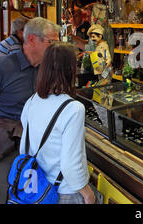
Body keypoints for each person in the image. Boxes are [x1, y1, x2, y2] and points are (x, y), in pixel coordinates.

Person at [0, 17, 60, 204]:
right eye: (52, 41)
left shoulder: (44, 70)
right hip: (1, 149)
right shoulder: (1, 69)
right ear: (32, 40)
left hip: (30, 149)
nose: (55, 47)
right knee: (1, 196)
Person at [19, 42, 95, 204]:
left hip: (37, 189)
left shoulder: (32, 101)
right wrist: (87, 193)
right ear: (70, 71)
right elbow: (70, 163)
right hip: (63, 192)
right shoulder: (73, 109)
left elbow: (25, 147)